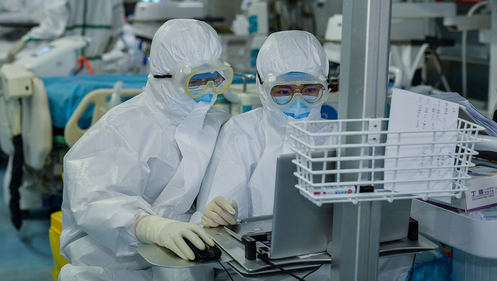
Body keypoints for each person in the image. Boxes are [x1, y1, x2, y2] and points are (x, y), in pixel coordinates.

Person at [58, 19, 233, 281]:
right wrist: (150, 226)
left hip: (189, 263)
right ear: (164, 77)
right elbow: (94, 200)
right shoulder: (121, 128)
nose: (209, 92)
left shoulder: (215, 123)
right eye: (195, 81)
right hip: (117, 268)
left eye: (216, 79)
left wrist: (218, 208)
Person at [191, 30, 332, 280]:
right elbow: (218, 227)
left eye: (310, 89)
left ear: (326, 86)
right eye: (283, 91)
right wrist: (217, 215)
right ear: (262, 86)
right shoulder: (242, 134)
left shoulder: (339, 137)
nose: (297, 102)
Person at [7, 0, 124, 73]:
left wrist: (23, 42)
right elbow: (117, 27)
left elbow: (52, 27)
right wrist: (99, 51)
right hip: (95, 66)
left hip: (65, 67)